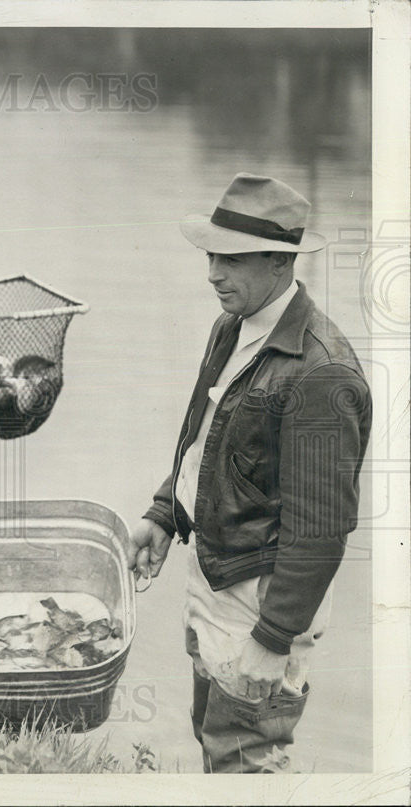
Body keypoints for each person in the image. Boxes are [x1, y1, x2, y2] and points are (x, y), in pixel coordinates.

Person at [127, 174, 371, 773]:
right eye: (211, 254)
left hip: (259, 599)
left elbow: (320, 531)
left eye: (231, 258)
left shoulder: (321, 373)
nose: (212, 272)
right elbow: (210, 439)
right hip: (214, 570)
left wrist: (272, 638)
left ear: (281, 262)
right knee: (215, 739)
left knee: (247, 757)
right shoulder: (233, 325)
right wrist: (166, 512)